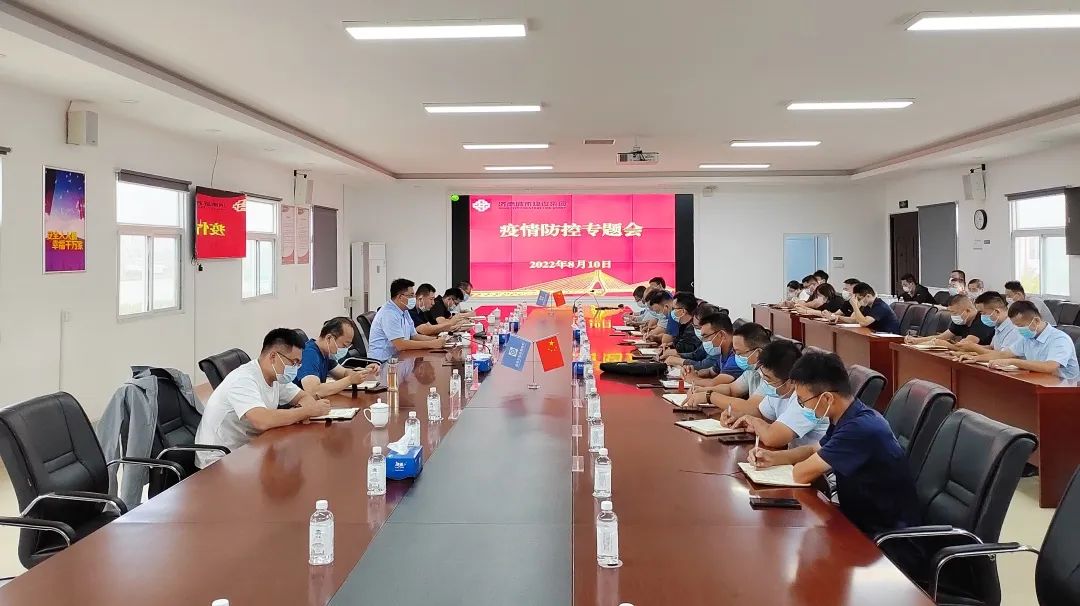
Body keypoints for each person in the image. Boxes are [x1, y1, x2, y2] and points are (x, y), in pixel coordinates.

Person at [747, 352, 918, 534]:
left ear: (827, 398)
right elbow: (814, 449)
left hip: (882, 534)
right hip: (856, 518)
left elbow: (801, 474)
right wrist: (774, 457)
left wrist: (789, 463)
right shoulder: (848, 415)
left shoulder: (859, 429)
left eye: (802, 401)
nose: (803, 407)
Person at [194, 329, 333, 468]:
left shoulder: (276, 376)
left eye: (298, 364)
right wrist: (306, 411)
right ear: (273, 356)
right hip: (219, 459)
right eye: (293, 362)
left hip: (250, 448)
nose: (295, 368)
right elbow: (262, 420)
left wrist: (306, 409)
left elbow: (303, 396)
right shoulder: (243, 379)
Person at [728, 341, 829, 448]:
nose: (764, 383)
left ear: (791, 381)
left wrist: (752, 421)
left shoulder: (807, 399)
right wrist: (739, 417)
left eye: (768, 380)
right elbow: (762, 415)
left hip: (814, 457)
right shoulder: (779, 392)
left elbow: (772, 438)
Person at [961, 301, 1079, 380]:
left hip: (1065, 388)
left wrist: (1013, 362)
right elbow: (1003, 354)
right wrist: (976, 358)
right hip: (1040, 380)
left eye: (1020, 326)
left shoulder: (1059, 339)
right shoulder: (1027, 338)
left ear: (1036, 321)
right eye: (1016, 326)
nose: (1018, 330)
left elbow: (1050, 366)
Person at [680, 321, 772, 402]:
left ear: (758, 353)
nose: (736, 356)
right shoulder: (751, 372)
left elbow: (751, 407)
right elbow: (731, 389)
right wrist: (702, 390)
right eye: (734, 352)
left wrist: (709, 396)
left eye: (739, 353)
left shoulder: (771, 377)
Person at [295, 317, 380, 397]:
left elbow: (343, 373)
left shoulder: (325, 353)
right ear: (329, 338)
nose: (345, 349)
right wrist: (350, 380)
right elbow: (314, 391)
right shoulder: (309, 354)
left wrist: (362, 371)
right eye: (344, 345)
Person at [368, 278, 447, 361]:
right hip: (382, 363)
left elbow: (414, 336)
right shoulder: (388, 313)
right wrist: (431, 344)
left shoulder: (404, 310)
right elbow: (400, 344)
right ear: (400, 297)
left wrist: (437, 340)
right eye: (411, 295)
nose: (414, 298)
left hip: (399, 357)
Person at [903, 294, 993, 349]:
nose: (953, 316)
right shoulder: (962, 320)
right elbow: (942, 337)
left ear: (968, 311)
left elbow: (965, 346)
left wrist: (946, 344)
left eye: (954, 313)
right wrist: (916, 341)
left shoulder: (981, 321)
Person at [955, 291, 1020, 356]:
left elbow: (1003, 356)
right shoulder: (999, 325)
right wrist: (967, 353)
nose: (981, 316)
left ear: (997, 311)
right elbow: (991, 348)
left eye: (983, 313)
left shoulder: (1013, 329)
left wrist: (974, 347)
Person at [687, 312, 743, 382]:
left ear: (721, 335)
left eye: (706, 337)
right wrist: (693, 372)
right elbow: (710, 372)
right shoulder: (723, 351)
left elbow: (715, 383)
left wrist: (693, 379)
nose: (704, 341)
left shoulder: (737, 356)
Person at [664, 304, 720, 370]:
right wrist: (678, 355)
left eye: (697, 327)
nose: (699, 331)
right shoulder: (706, 339)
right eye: (694, 326)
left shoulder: (718, 343)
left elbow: (705, 366)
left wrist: (680, 361)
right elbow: (696, 355)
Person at [829, 282, 900, 334]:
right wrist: (838, 317)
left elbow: (864, 322)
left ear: (868, 296)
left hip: (888, 337)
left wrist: (855, 306)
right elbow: (854, 320)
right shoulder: (868, 305)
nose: (858, 301)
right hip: (875, 334)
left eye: (859, 299)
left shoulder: (880, 306)